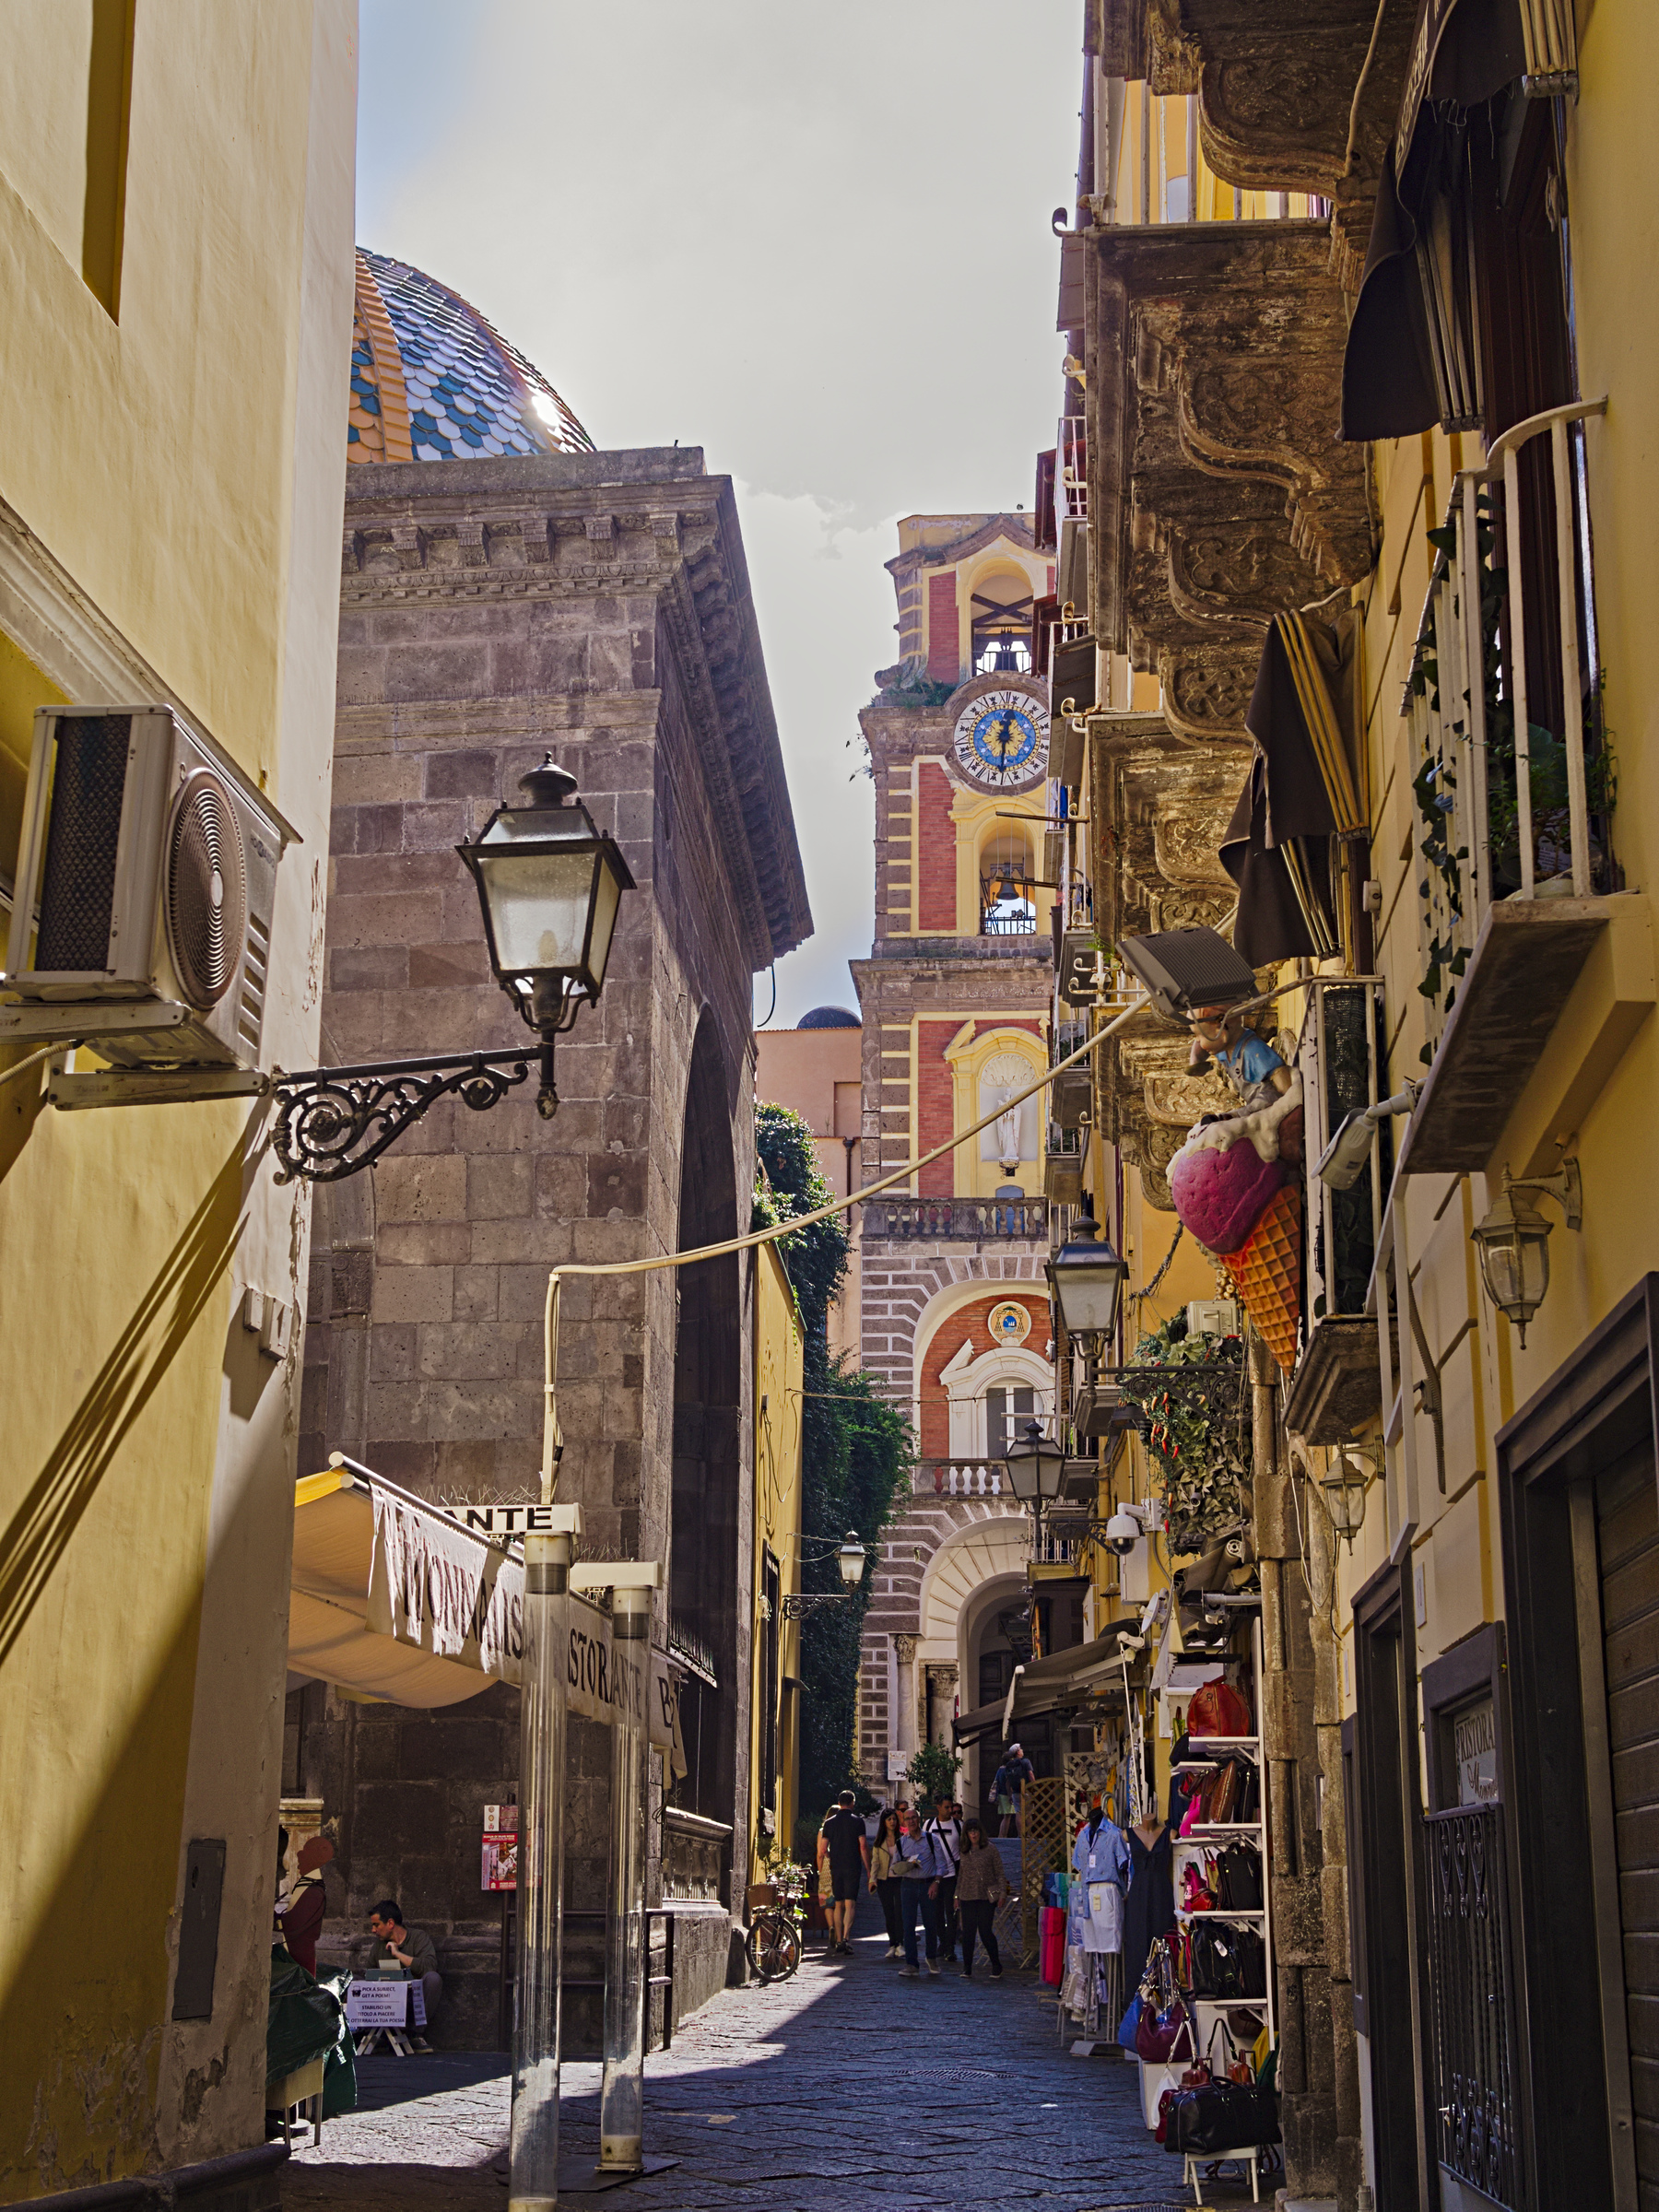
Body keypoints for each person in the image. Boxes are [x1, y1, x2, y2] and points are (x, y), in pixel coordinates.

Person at [368, 1900, 441, 2041]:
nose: (373, 1930)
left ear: (390, 1923)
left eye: (376, 1925)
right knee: (353, 1981)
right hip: (387, 1999)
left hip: (413, 1999)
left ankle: (416, 2034)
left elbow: (429, 1966)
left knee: (433, 1979)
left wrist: (397, 1954)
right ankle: (376, 2034)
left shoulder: (418, 1938)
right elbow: (369, 1974)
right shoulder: (378, 1946)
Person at [894, 1809, 953, 1978]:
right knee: (908, 1926)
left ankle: (931, 1958)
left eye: (913, 1818)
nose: (911, 1821)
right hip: (908, 1886)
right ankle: (912, 1964)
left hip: (928, 1884)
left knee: (931, 1924)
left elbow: (942, 1865)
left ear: (918, 1819)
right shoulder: (901, 1843)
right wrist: (905, 1866)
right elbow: (895, 1867)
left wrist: (936, 1882)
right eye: (908, 1819)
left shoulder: (932, 1839)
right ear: (904, 1822)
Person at [816, 1791, 869, 1955]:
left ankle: (838, 1940)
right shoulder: (858, 1821)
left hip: (836, 1866)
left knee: (838, 1904)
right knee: (850, 1903)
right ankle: (846, 1938)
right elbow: (863, 1846)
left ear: (839, 1803)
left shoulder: (829, 1823)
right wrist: (868, 1869)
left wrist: (830, 1856)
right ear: (852, 1803)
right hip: (852, 1865)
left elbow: (823, 1849)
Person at [954, 1819, 1008, 1978]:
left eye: (976, 1831)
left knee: (985, 1931)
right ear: (966, 1834)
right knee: (968, 1933)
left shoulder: (990, 1849)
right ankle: (967, 1967)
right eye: (970, 1831)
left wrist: (1002, 1893)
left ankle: (996, 1964)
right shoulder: (964, 1850)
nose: (973, 1834)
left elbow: (999, 1872)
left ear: (980, 1832)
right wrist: (956, 1895)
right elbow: (961, 1875)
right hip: (967, 1895)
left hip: (985, 1896)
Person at [924, 1795, 964, 1962]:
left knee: (951, 1912)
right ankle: (942, 1941)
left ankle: (950, 1947)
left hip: (951, 1875)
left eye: (951, 1807)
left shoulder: (958, 1826)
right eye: (946, 1807)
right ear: (938, 1807)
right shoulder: (929, 1825)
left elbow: (964, 1850)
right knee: (936, 1912)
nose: (950, 1811)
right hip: (934, 1875)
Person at [870, 1807, 905, 1959]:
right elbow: (875, 1862)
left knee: (899, 1912)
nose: (892, 1822)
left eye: (894, 1819)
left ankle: (900, 1944)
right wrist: (872, 1880)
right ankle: (893, 1944)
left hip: (900, 1879)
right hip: (884, 1880)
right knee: (889, 1913)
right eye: (889, 1819)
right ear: (884, 1822)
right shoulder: (879, 1842)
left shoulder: (902, 1839)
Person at [990, 1742, 1036, 1837]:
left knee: (1018, 1813)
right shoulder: (1025, 1761)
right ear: (1018, 1752)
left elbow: (1007, 1782)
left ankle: (1020, 1835)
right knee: (1028, 1813)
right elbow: (1030, 1774)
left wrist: (1010, 1794)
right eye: (1021, 1749)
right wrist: (1034, 1787)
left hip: (1015, 1792)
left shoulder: (1009, 1765)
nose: (1022, 1750)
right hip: (1026, 1790)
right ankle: (1029, 1835)